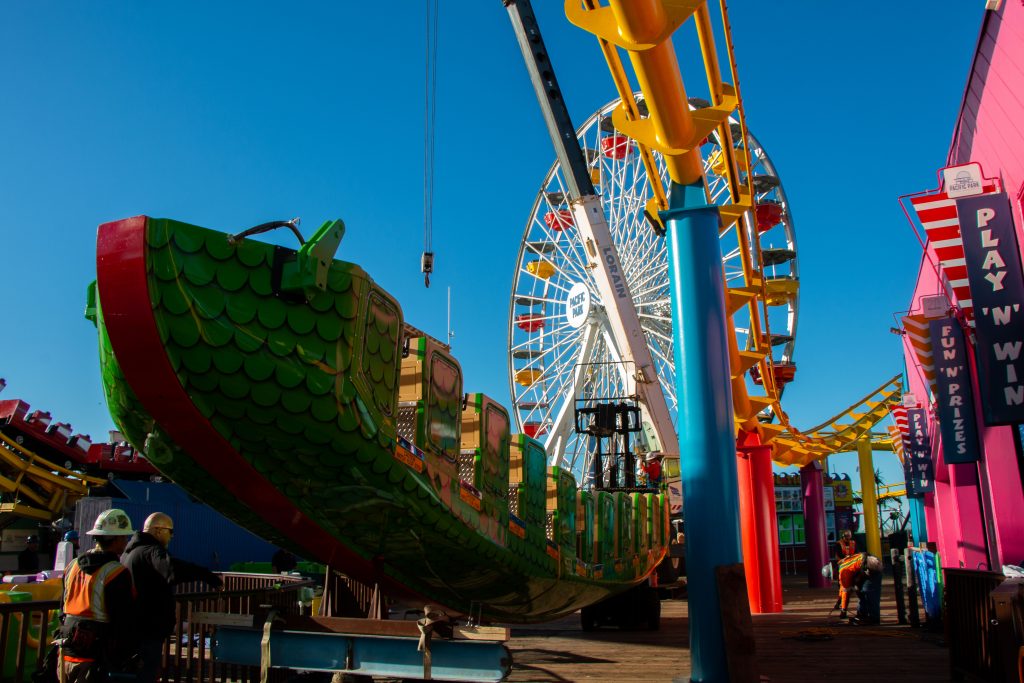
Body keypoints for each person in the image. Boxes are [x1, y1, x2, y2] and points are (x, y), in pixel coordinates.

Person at [121, 512, 222, 683]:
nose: (172, 536)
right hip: (148, 629)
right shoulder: (151, 551)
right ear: (159, 531)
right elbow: (172, 569)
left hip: (132, 627)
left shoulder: (129, 553)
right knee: (145, 673)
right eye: (171, 531)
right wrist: (205, 575)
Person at [58, 509, 137, 681]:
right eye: (124, 537)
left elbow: (61, 606)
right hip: (98, 655)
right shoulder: (116, 572)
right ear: (114, 539)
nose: (126, 541)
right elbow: (123, 619)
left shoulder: (72, 566)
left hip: (67, 648)